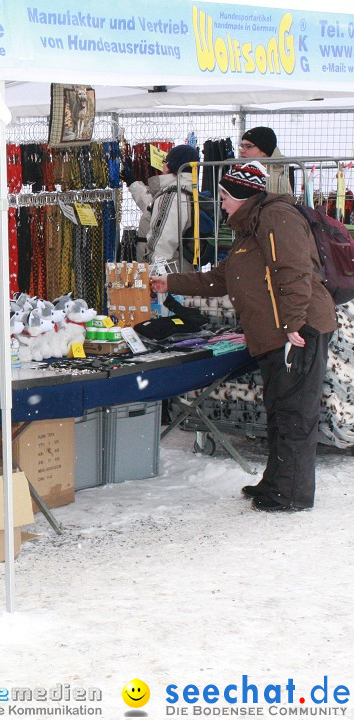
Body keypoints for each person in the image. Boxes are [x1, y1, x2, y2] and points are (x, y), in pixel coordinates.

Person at [150, 161, 336, 512]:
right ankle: (277, 482)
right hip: (279, 333)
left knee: (294, 412)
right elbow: (223, 278)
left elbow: (294, 271)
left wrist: (294, 324)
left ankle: (291, 493)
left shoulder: (276, 218)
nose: (220, 203)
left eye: (223, 196)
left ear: (240, 194)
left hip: (297, 332)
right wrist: (170, 283)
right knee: (281, 409)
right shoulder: (251, 226)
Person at [128, 144, 200, 272]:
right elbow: (153, 207)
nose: (162, 165)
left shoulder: (173, 195)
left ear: (171, 164)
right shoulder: (186, 191)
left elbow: (162, 239)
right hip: (180, 269)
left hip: (168, 273)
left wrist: (148, 270)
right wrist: (133, 184)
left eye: (164, 161)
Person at [239, 126, 293, 196]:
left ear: (264, 151)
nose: (242, 150)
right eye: (241, 146)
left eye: (248, 146)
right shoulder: (252, 171)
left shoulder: (274, 180)